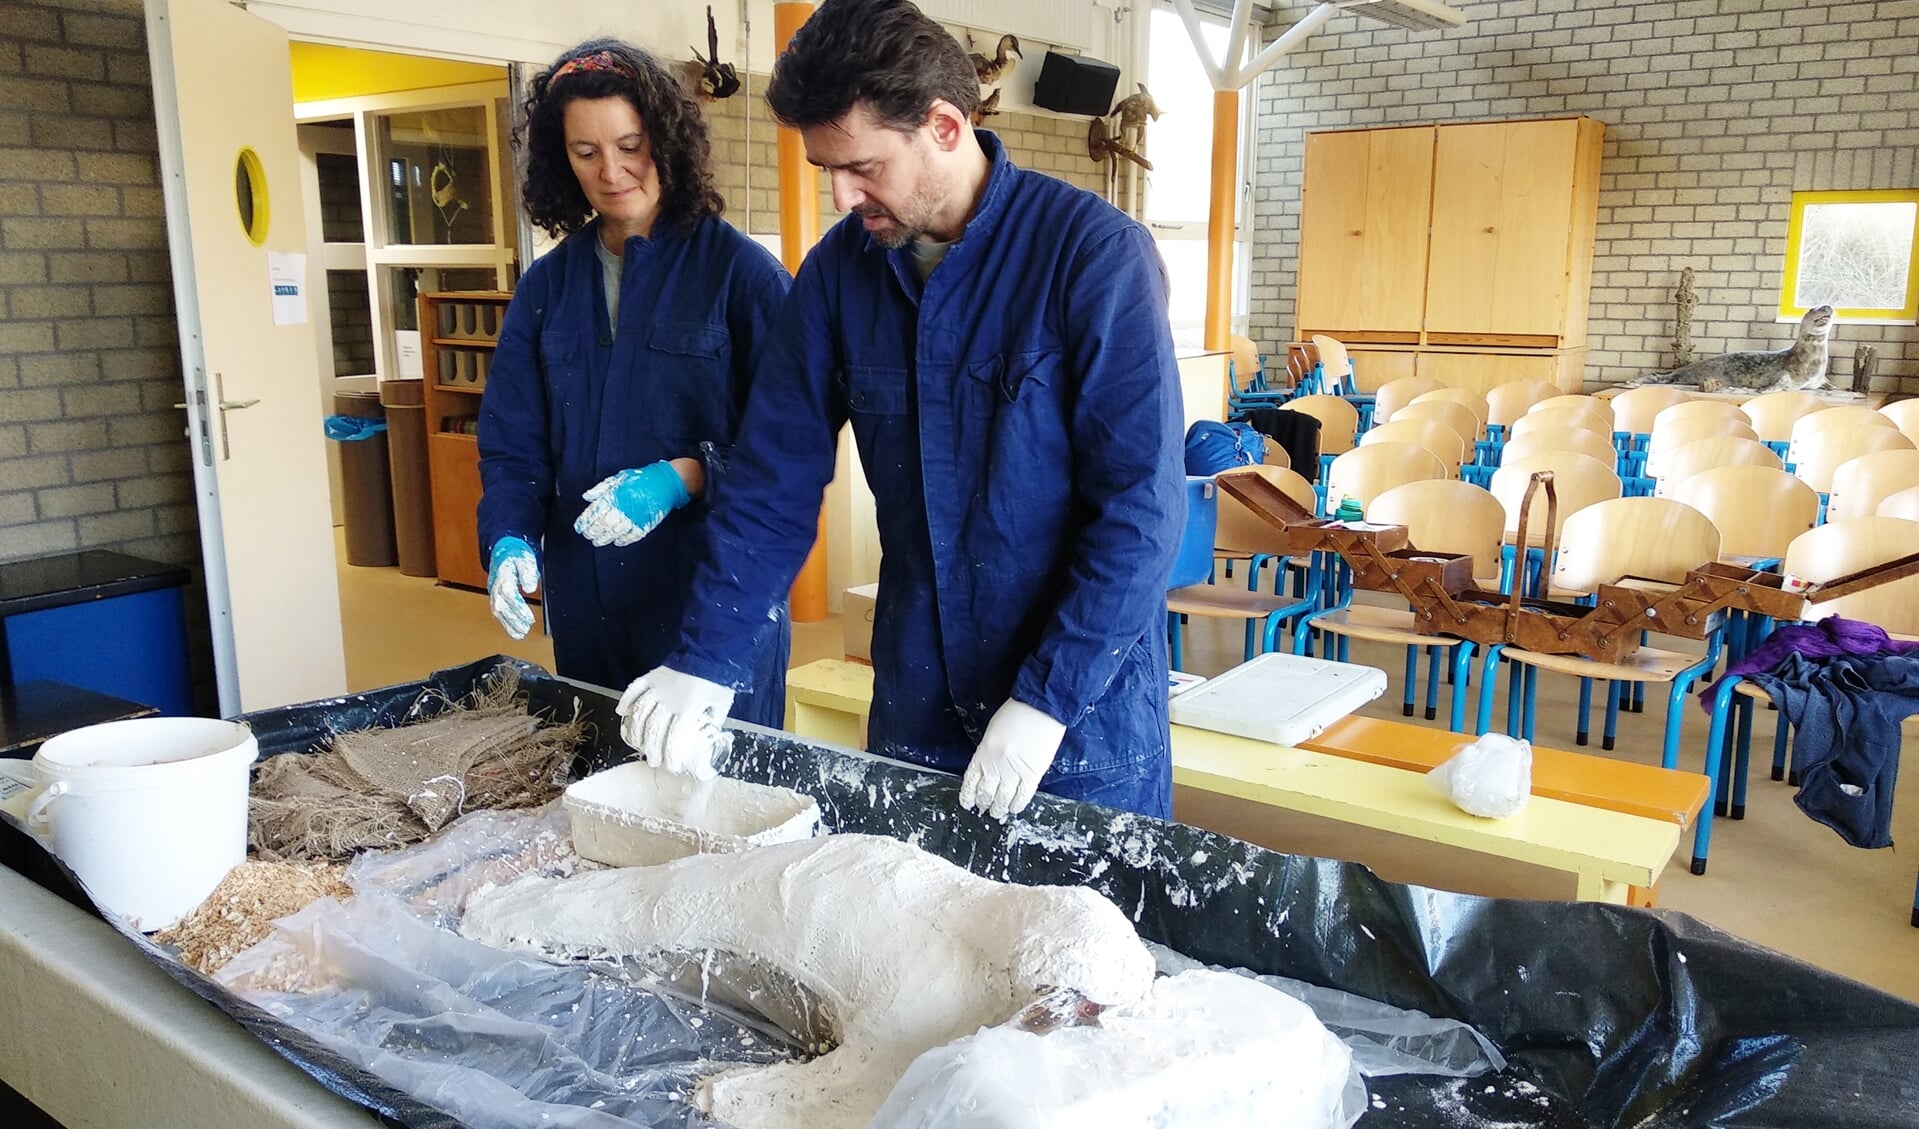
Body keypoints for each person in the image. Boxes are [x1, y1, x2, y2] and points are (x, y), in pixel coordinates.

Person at [617, 0, 1184, 819]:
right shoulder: (838, 275)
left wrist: (1046, 701)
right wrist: (705, 658)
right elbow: (772, 478)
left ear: (945, 126)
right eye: (826, 173)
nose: (844, 196)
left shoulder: (1092, 258)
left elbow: (1139, 510)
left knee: (1080, 940)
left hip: (1076, 717)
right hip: (919, 693)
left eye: (864, 168)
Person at [477, 39, 791, 726]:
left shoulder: (743, 279)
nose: (611, 171)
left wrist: (684, 476)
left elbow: (789, 458)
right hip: (589, 611)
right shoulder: (546, 290)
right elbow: (512, 446)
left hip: (710, 613)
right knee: (605, 800)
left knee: (718, 813)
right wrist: (508, 537)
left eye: (630, 145)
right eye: (585, 153)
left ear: (667, 141)